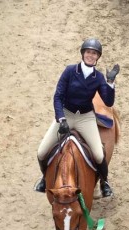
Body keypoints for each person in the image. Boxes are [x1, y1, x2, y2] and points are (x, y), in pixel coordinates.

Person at [34, 38, 120, 197]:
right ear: (83, 53)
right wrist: (61, 119)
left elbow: (108, 101)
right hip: (66, 114)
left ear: (97, 57)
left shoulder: (99, 77)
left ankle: (104, 182)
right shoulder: (70, 71)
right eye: (88, 52)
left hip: (85, 118)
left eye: (94, 54)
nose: (91, 55)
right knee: (41, 151)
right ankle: (44, 179)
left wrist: (110, 82)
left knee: (99, 154)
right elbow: (58, 97)